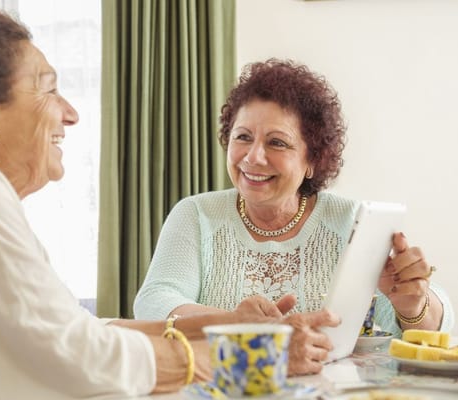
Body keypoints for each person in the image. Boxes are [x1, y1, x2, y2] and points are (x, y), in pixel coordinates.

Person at [0, 7, 341, 399]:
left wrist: (226, 325)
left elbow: (76, 330)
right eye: (48, 89)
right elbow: (76, 357)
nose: (70, 112)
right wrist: (255, 353)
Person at [134, 59, 454, 340]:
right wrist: (235, 324)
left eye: (277, 142)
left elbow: (426, 323)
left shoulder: (349, 222)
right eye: (242, 137)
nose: (254, 157)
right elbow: (153, 303)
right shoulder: (195, 214)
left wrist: (413, 306)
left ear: (313, 159)